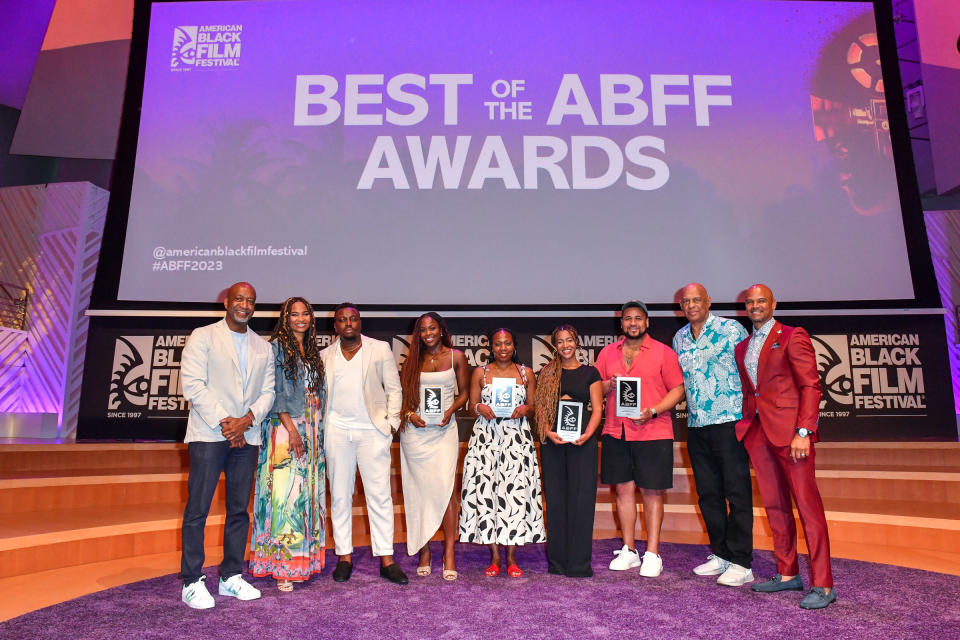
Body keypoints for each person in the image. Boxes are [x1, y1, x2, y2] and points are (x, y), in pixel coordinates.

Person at [734, 284, 836, 609]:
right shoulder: (743, 347)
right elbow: (754, 391)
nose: (755, 306)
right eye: (750, 302)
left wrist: (804, 431)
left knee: (808, 509)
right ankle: (787, 571)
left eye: (761, 300)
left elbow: (810, 385)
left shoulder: (793, 335)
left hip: (792, 435)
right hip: (759, 434)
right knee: (776, 507)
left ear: (773, 303)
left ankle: (824, 584)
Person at [179, 282, 275, 609]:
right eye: (239, 299)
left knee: (239, 510)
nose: (244, 305)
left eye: (250, 300)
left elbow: (269, 392)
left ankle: (231, 576)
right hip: (209, 434)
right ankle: (192, 581)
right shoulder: (203, 336)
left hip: (246, 437)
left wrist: (245, 421)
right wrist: (226, 422)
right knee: (198, 510)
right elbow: (193, 385)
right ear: (226, 301)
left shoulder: (264, 346)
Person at [595, 300, 685, 578]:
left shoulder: (663, 352)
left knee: (651, 492)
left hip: (653, 430)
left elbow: (678, 390)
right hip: (616, 430)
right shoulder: (608, 353)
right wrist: (608, 385)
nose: (633, 323)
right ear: (621, 323)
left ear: (647, 323)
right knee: (622, 490)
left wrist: (654, 411)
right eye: (627, 319)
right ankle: (629, 550)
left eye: (638, 318)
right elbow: (594, 386)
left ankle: (653, 553)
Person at [672, 283, 754, 586]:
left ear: (708, 302)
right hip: (696, 425)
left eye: (697, 300)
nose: (691, 305)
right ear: (681, 307)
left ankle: (743, 561)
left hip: (729, 421)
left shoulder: (732, 330)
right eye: (686, 301)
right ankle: (721, 554)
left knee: (737, 492)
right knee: (708, 495)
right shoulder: (679, 338)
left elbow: (750, 372)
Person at [321, 303, 408, 585]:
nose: (348, 323)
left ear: (360, 323)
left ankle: (386, 559)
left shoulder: (379, 349)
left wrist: (390, 425)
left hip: (372, 431)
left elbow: (394, 389)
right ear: (335, 326)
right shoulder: (324, 356)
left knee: (380, 496)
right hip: (336, 431)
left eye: (353, 318)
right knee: (340, 495)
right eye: (342, 320)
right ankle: (344, 556)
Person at [250, 297, 326, 591]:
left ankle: (303, 560)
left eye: (304, 313)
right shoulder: (277, 348)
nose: (299, 319)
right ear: (284, 318)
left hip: (312, 429)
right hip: (286, 430)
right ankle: (282, 566)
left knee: (305, 497)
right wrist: (293, 430)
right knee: (286, 496)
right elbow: (276, 392)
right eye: (293, 314)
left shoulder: (312, 351)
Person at [459, 327, 545, 577]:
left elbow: (534, 406)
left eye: (507, 343)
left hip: (516, 441)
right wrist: (480, 407)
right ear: (491, 347)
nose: (503, 348)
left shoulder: (526, 373)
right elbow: (471, 406)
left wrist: (525, 410)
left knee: (514, 494)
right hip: (486, 440)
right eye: (498, 344)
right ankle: (495, 556)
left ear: (514, 346)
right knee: (488, 493)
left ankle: (512, 556)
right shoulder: (480, 373)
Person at [399, 312, 471, 581]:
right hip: (416, 435)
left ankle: (449, 552)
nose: (427, 333)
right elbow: (404, 399)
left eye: (432, 328)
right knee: (418, 492)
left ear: (441, 330)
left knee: (446, 489)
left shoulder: (456, 357)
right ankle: (424, 550)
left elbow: (464, 392)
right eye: (422, 330)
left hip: (443, 431)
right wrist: (410, 415)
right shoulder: (412, 360)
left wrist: (451, 409)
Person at [533, 324, 604, 577]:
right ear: (554, 345)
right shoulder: (547, 373)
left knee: (582, 501)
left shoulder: (590, 373)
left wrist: (589, 435)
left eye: (569, 340)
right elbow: (540, 410)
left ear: (577, 342)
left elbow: (597, 409)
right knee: (556, 501)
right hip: (553, 444)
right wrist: (548, 432)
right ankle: (558, 563)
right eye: (560, 341)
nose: (565, 345)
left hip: (582, 443)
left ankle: (579, 565)